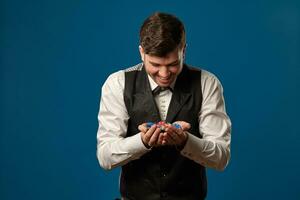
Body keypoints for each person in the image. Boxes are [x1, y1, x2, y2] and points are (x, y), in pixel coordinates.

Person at [96, 12, 231, 200]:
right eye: (155, 64)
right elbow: (105, 157)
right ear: (142, 52)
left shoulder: (207, 83)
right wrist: (141, 142)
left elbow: (221, 158)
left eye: (173, 64)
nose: (164, 73)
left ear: (184, 50)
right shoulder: (117, 84)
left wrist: (185, 141)